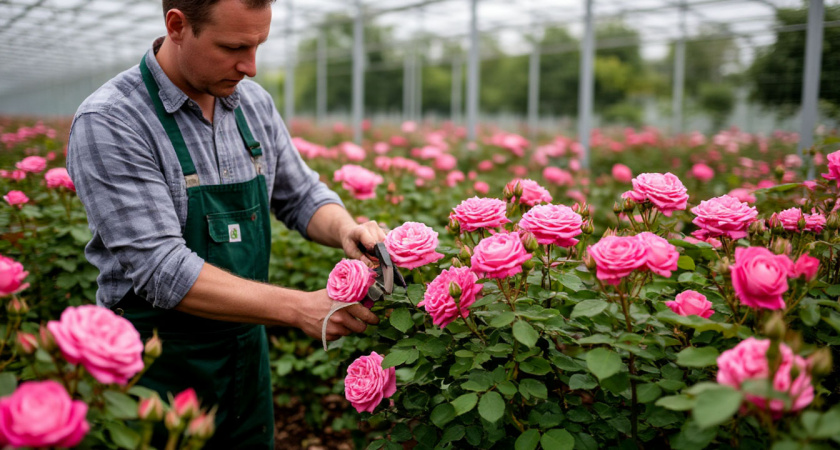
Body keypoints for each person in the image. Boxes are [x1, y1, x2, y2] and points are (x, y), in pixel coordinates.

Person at [66, 0, 382, 447]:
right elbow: (161, 268)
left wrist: (346, 228)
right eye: (233, 46)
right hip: (153, 372)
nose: (250, 67)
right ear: (177, 25)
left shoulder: (251, 103)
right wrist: (299, 308)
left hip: (245, 360)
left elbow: (301, 194)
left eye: (258, 46)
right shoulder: (113, 120)